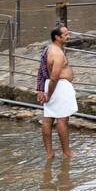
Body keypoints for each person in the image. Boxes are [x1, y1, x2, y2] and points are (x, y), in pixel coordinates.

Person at [36, 25, 78, 159]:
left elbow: (41, 71)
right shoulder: (58, 54)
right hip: (58, 88)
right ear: (57, 37)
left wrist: (41, 89)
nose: (68, 36)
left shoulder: (48, 49)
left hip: (52, 86)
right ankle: (66, 153)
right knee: (62, 120)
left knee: (48, 119)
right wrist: (48, 93)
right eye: (65, 34)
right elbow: (54, 77)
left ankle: (49, 154)